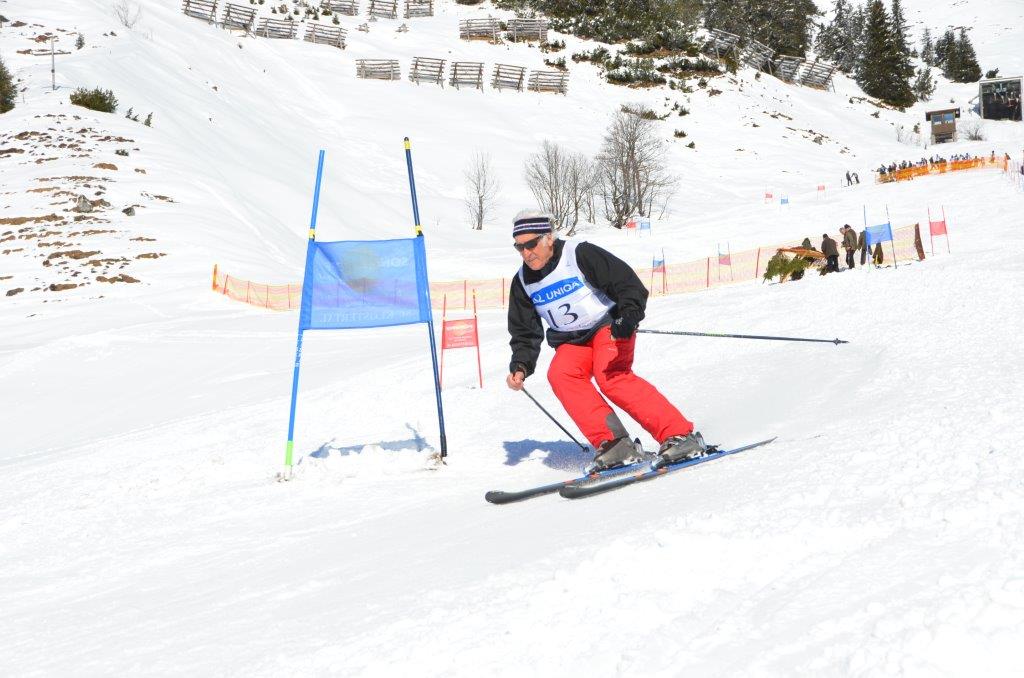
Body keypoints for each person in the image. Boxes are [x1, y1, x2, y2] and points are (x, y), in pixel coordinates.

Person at [505, 209, 704, 471]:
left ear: (549, 238)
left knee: (611, 376)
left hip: (607, 326)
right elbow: (524, 330)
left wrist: (628, 316)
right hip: (572, 341)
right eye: (519, 247)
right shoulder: (523, 281)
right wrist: (521, 365)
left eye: (531, 244)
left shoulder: (578, 254)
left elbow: (626, 283)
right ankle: (615, 444)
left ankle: (679, 435)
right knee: (561, 374)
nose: (526, 253)